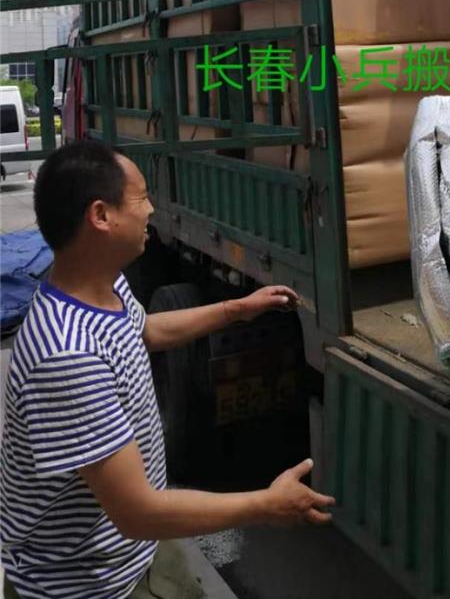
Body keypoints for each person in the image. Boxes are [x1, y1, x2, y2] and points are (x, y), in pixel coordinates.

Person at [0, 139, 335, 599]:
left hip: (132, 552)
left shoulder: (99, 284)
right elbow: (137, 513)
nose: (152, 209)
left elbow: (144, 330)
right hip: (89, 586)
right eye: (141, 198)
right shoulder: (67, 357)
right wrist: (266, 505)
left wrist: (237, 309)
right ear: (101, 216)